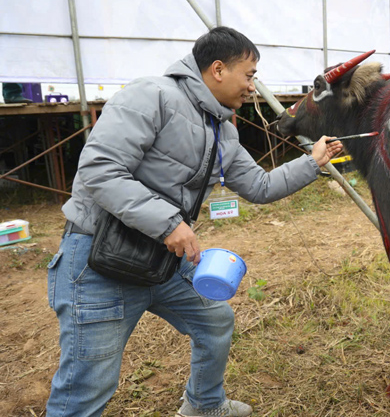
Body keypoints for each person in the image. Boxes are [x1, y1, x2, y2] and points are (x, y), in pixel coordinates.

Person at [45, 26, 343, 417]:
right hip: (100, 260)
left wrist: (312, 161)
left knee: (214, 320)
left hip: (161, 259)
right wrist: (169, 223)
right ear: (218, 69)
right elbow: (100, 170)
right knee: (88, 383)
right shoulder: (151, 95)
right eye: (249, 75)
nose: (252, 87)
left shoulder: (221, 129)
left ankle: (204, 405)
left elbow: (259, 185)